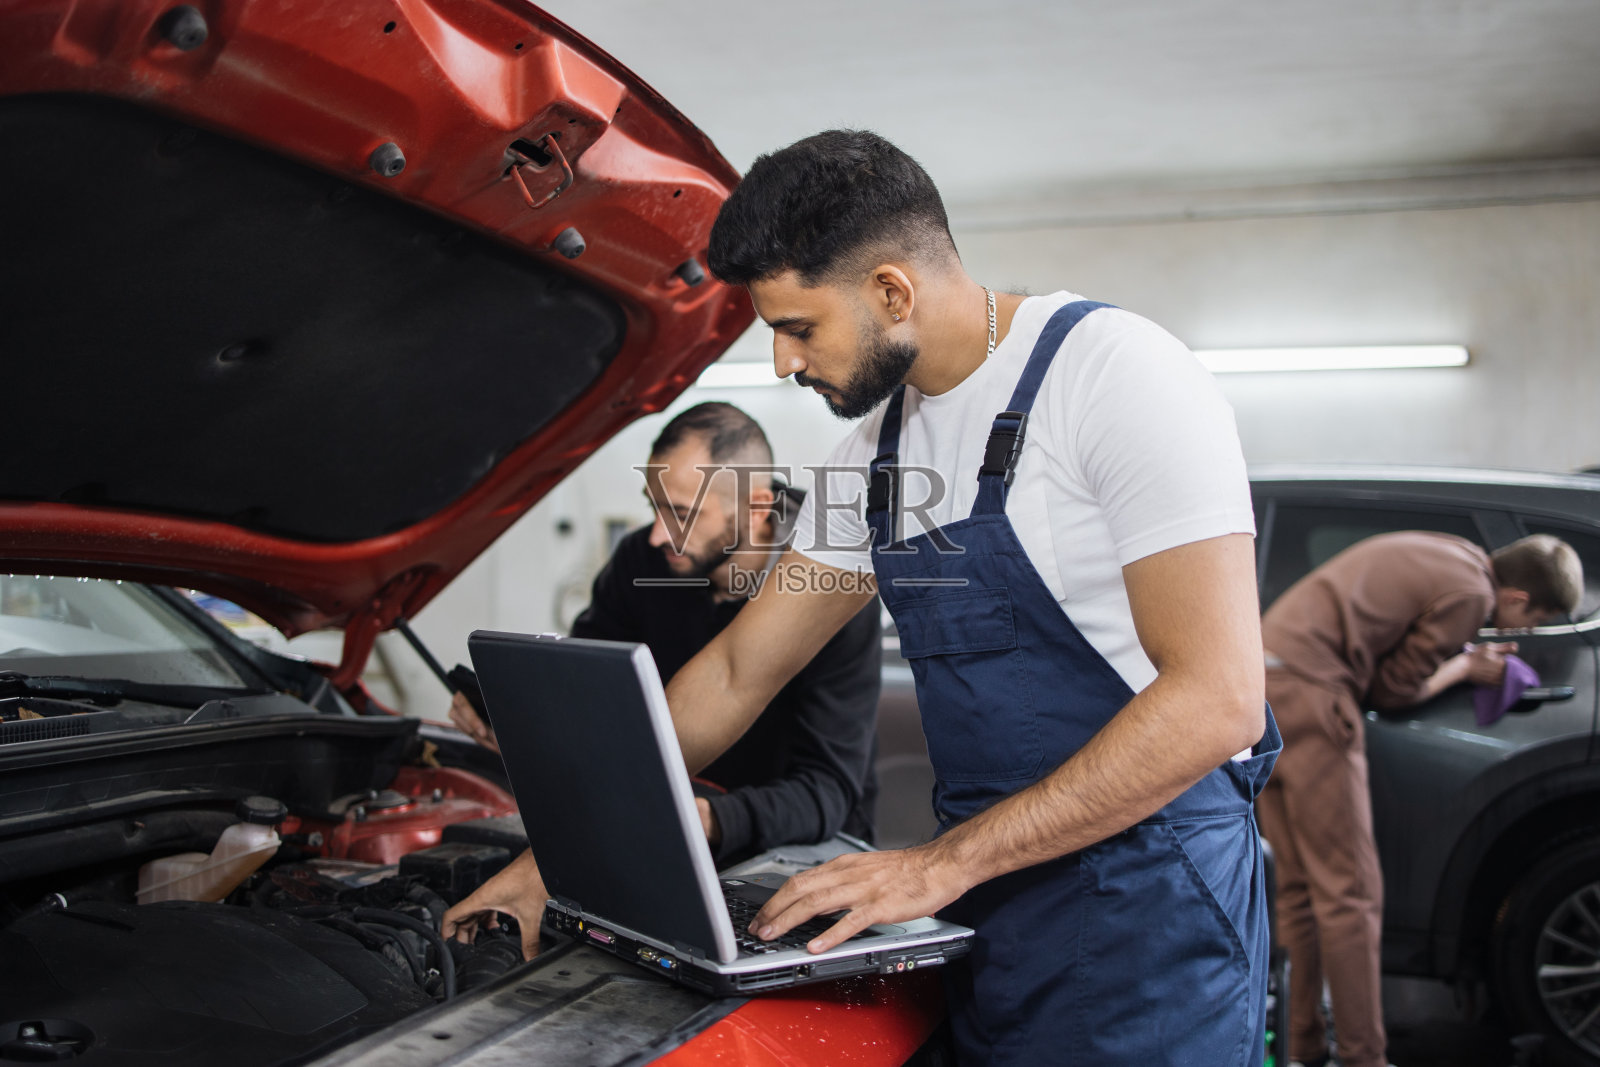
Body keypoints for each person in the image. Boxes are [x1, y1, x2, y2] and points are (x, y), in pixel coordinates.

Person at [449, 128, 1275, 1065]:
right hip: (992, 904)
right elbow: (732, 671)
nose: (781, 364)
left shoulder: (1115, 377)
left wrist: (939, 864)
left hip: (1148, 908)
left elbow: (1216, 699)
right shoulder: (874, 460)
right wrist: (545, 866)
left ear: (892, 290)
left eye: (797, 327)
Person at [443, 402, 882, 952]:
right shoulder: (644, 562)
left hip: (788, 848)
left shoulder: (830, 585)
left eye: (680, 513)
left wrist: (707, 818)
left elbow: (827, 792)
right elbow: (588, 694)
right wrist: (517, 721)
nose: (656, 535)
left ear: (755, 508)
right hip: (653, 813)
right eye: (654, 508)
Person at [1257, 531, 1582, 1067]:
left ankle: (1303, 1044)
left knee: (1296, 891)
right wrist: (1466, 667)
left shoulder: (1450, 552)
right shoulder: (1473, 595)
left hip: (1264, 693)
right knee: (1351, 896)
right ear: (1520, 598)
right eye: (1536, 620)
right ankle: (1366, 1058)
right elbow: (1394, 690)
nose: (1525, 631)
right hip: (1316, 698)